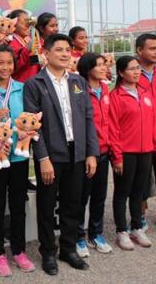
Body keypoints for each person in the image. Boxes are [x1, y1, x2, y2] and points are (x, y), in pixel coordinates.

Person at [24, 33, 99, 276]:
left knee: (72, 204)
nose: (65, 54)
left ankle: (68, 248)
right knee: (47, 206)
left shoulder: (78, 81)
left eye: (68, 49)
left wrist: (91, 153)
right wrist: (43, 159)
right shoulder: (35, 84)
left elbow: (88, 118)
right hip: (51, 156)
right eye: (59, 50)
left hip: (77, 153)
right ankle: (48, 252)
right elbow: (32, 126)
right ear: (46, 54)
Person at [0, 45, 35, 277]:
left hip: (19, 156)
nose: (5, 67)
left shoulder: (22, 88)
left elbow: (30, 119)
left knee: (18, 205)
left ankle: (19, 251)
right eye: (0, 63)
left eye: (9, 63)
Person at [109, 55, 154, 251]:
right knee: (122, 192)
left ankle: (136, 227)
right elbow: (113, 128)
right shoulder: (116, 97)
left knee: (139, 191)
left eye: (137, 68)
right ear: (120, 73)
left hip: (146, 151)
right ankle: (121, 231)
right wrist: (117, 156)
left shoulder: (145, 93)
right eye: (131, 69)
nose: (136, 72)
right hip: (125, 152)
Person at [76, 53, 112, 256]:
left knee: (99, 196)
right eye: (98, 65)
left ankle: (96, 233)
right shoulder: (79, 90)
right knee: (82, 196)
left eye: (104, 64)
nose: (103, 68)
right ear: (88, 68)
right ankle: (78, 236)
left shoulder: (105, 89)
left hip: (104, 150)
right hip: (87, 152)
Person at [136, 33, 156, 229]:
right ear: (139, 50)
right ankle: (139, 216)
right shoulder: (132, 74)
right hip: (141, 138)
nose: (155, 52)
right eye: (152, 48)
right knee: (141, 180)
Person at [8, 9, 40, 83]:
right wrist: (27, 49)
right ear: (14, 24)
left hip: (33, 84)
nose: (28, 26)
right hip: (20, 84)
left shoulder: (29, 40)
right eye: (26, 22)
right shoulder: (11, 43)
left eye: (29, 23)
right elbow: (14, 67)